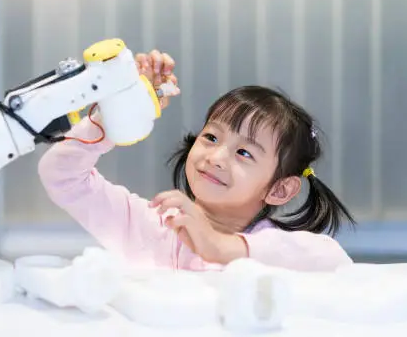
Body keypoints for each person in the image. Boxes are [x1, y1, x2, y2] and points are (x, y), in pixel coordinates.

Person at [37, 50, 356, 272]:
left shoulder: (283, 251)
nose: (216, 157)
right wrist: (118, 114)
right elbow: (61, 175)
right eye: (211, 137)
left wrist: (218, 246)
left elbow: (333, 261)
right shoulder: (148, 224)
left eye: (244, 153)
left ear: (281, 190)